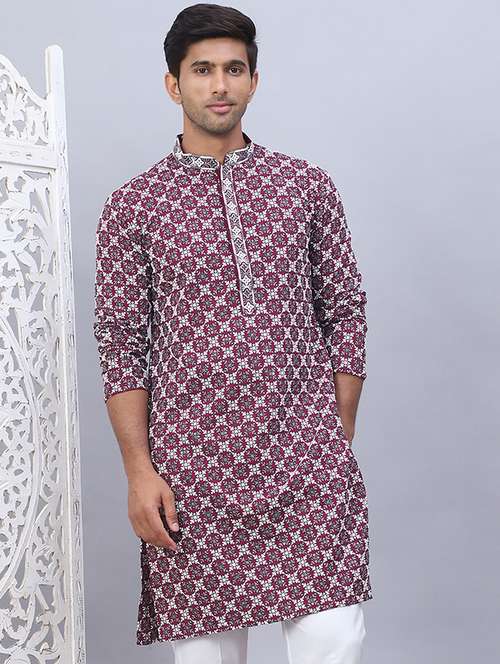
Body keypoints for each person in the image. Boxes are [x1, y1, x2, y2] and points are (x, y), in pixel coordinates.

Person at [93, 3, 373, 662]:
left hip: (304, 463)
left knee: (333, 637)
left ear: (254, 80)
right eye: (202, 70)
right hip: (193, 473)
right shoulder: (133, 207)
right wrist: (139, 473)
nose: (219, 85)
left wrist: (334, 434)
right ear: (174, 84)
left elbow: (345, 310)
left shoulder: (306, 187)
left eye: (233, 69)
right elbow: (121, 346)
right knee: (206, 658)